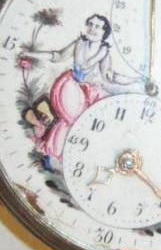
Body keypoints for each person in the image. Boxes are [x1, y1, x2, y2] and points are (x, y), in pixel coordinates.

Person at [23, 14, 141, 163]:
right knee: (78, 119)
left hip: (82, 90)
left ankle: (62, 150)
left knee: (79, 120)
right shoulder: (79, 43)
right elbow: (58, 56)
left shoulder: (104, 51)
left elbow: (110, 76)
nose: (92, 29)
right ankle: (64, 150)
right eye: (90, 24)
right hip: (68, 85)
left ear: (104, 32)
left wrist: (134, 80)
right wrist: (31, 54)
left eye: (97, 26)